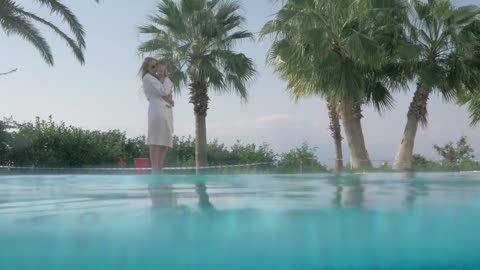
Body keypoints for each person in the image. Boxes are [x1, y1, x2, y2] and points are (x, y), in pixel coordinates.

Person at [140, 57, 174, 173]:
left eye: (156, 65)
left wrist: (168, 98)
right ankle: (155, 169)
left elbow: (167, 95)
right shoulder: (148, 78)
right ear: (147, 68)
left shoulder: (157, 79)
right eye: (152, 66)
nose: (155, 68)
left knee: (164, 140)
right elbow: (164, 92)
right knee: (156, 140)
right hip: (158, 112)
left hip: (165, 111)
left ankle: (159, 169)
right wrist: (166, 78)